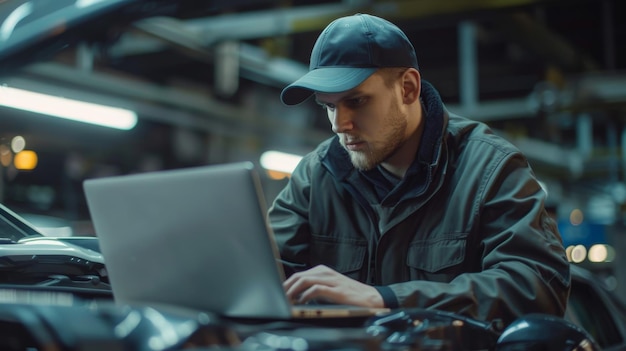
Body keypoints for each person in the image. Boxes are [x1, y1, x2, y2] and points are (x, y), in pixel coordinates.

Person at [268, 13, 570, 326]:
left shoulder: (491, 170)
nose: (338, 125)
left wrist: (389, 300)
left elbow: (536, 287)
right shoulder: (314, 178)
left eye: (356, 101)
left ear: (408, 88)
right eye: (329, 106)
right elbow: (262, 273)